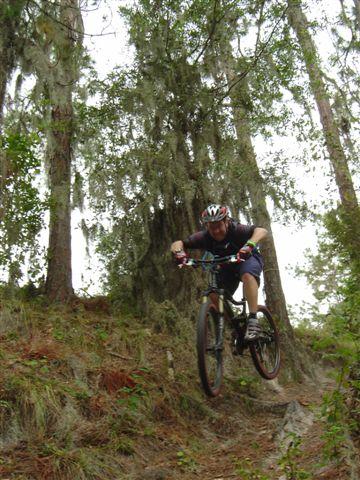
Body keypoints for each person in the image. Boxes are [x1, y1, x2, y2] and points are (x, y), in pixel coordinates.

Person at [170, 204, 268, 341]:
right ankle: (235, 327)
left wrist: (250, 244)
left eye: (218, 226)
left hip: (248, 259)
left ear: (226, 222)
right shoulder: (204, 237)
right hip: (227, 266)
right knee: (214, 295)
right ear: (207, 226)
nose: (216, 231)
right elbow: (178, 243)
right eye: (212, 227)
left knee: (247, 275)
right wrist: (180, 253)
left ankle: (253, 321)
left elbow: (262, 231)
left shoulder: (237, 230)